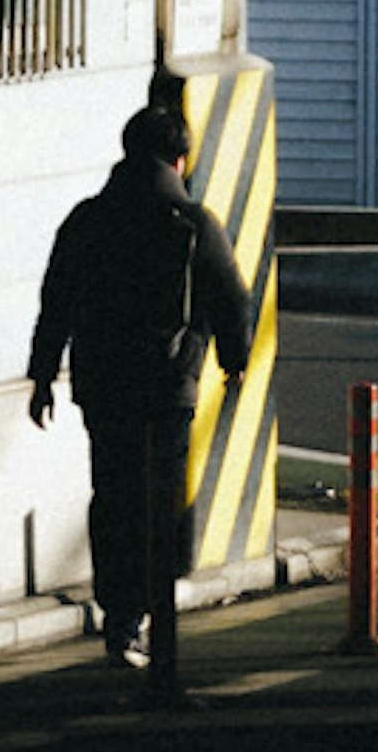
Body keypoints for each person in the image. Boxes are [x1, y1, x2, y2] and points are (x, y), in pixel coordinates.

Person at [28, 101, 255, 665]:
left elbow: (55, 302)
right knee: (160, 500)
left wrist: (41, 376)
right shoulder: (194, 224)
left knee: (113, 494)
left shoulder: (87, 220)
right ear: (181, 159)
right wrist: (235, 361)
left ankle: (119, 616)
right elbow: (230, 299)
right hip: (168, 383)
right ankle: (151, 615)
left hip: (103, 385)